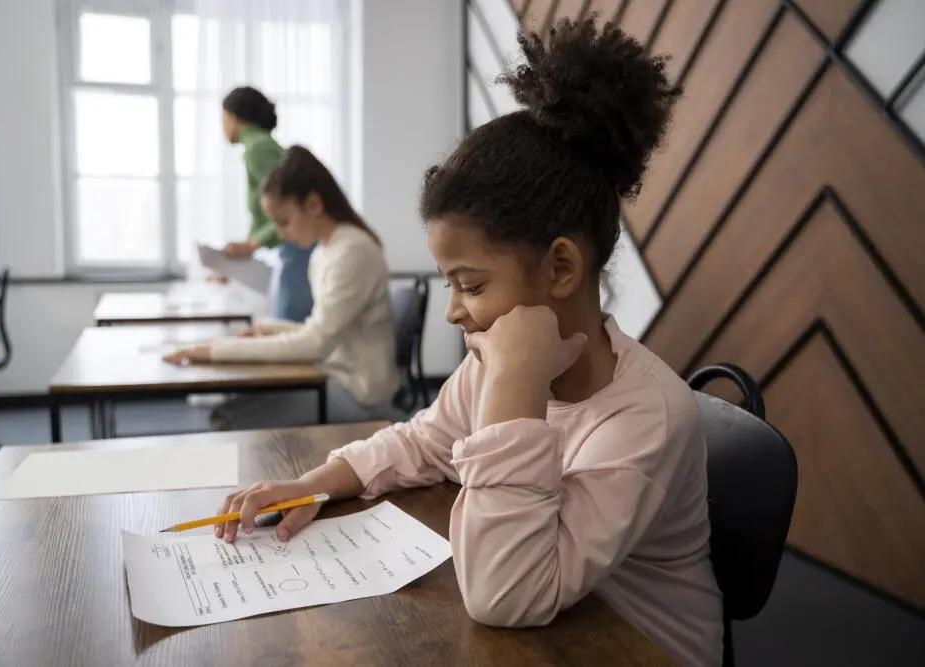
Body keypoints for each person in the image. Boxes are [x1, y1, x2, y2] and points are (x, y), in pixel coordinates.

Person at [207, 17, 723, 666]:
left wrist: (514, 385)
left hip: (634, 647)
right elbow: (424, 439)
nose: (452, 311)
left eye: (470, 283)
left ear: (561, 268)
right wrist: (314, 482)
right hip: (556, 632)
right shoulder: (491, 365)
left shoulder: (644, 416)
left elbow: (507, 593)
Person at [165, 145, 403, 426]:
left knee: (228, 420)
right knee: (227, 413)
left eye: (284, 221)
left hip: (359, 395)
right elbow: (322, 330)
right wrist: (270, 329)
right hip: (337, 376)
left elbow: (316, 343)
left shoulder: (352, 251)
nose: (279, 234)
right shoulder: (324, 251)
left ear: (314, 205)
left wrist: (215, 349)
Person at [218, 86, 314, 324]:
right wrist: (238, 258)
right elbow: (262, 216)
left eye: (223, 118)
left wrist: (252, 244)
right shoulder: (261, 146)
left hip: (297, 247)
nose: (221, 126)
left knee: (287, 324)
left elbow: (289, 208)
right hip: (292, 248)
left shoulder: (257, 149)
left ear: (234, 117)